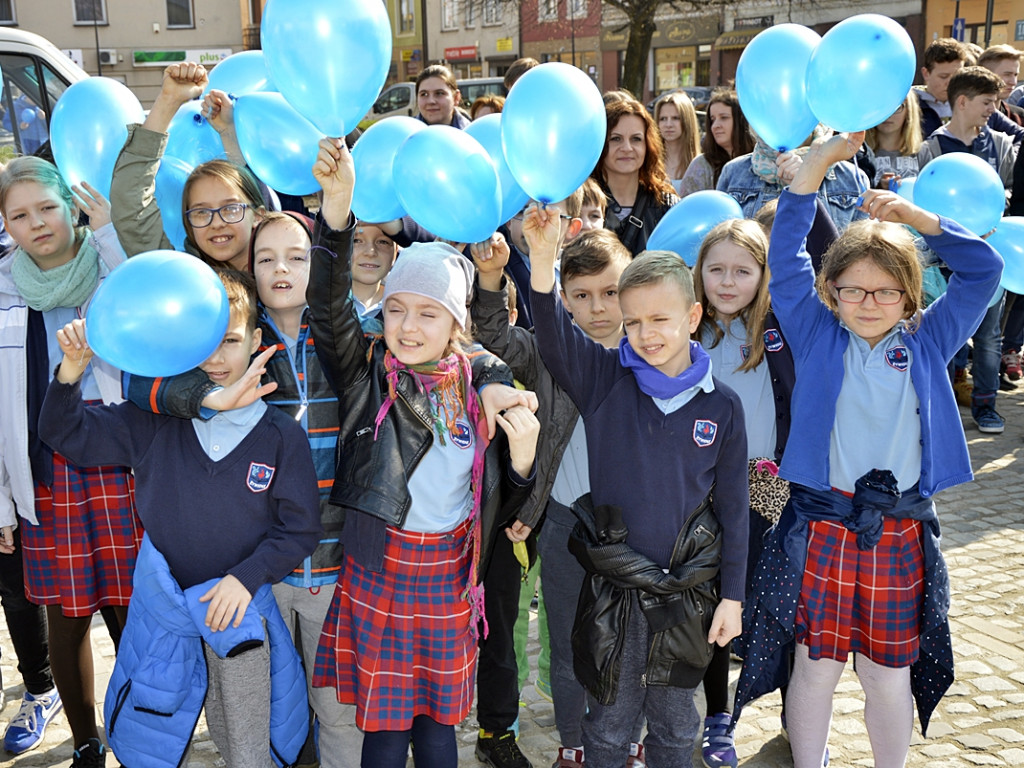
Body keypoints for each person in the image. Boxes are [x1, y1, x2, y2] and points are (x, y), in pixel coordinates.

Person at [733, 130, 1002, 768]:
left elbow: (984, 270)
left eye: (886, 291)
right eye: (853, 289)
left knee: (887, 674)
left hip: (898, 530)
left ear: (910, 295)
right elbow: (787, 254)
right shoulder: (817, 332)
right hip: (823, 524)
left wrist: (917, 219)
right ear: (831, 293)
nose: (869, 303)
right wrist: (811, 175)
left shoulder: (928, 340)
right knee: (816, 668)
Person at [306, 137, 540, 768]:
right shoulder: (368, 374)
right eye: (397, 310)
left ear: (456, 327)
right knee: (384, 733)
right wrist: (335, 221)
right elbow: (328, 314)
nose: (408, 327)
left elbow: (504, 496)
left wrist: (521, 458)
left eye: (428, 315)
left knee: (439, 729)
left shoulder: (480, 388)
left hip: (451, 576)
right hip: (382, 567)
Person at [38, 271, 322, 768]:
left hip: (237, 610)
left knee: (249, 742)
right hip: (163, 610)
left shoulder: (279, 435)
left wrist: (244, 578)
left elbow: (300, 528)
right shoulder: (149, 420)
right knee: (157, 733)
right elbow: (65, 433)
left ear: (257, 341)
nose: (215, 358)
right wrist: (71, 370)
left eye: (230, 340)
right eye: (203, 342)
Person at [524, 201, 748, 768]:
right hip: (614, 595)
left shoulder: (722, 407)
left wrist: (733, 596)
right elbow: (551, 335)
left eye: (661, 320)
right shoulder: (604, 382)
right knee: (608, 725)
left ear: (693, 316)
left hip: (685, 597)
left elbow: (734, 510)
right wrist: (544, 260)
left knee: (676, 726)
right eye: (634, 322)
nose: (646, 335)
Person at [472, 225, 644, 768]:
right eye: (582, 296)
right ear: (563, 299)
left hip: (636, 527)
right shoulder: (549, 351)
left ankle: (630, 737)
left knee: (632, 642)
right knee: (571, 639)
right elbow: (497, 337)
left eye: (611, 292)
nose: (598, 308)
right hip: (565, 521)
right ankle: (573, 740)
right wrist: (493, 277)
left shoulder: (652, 353)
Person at [0, 156, 141, 768]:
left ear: (71, 206)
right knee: (65, 614)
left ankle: (145, 736)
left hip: (119, 464)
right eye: (19, 215)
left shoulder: (110, 266)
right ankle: (86, 741)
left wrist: (109, 234)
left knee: (133, 613)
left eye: (47, 208)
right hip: (44, 472)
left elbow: (150, 314)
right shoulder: (4, 289)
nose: (37, 224)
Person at [691, 219, 796, 768]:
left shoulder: (778, 329)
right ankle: (716, 719)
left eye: (742, 270)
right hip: (702, 487)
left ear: (763, 274)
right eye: (717, 269)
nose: (728, 282)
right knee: (714, 608)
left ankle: (795, 716)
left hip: (765, 483)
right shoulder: (685, 330)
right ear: (699, 272)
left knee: (771, 603)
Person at [923, 65, 1015, 434]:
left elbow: (1008, 189)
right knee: (947, 334)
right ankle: (943, 409)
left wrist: (998, 210)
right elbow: (925, 202)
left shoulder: (998, 144)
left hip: (991, 255)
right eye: (986, 101)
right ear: (962, 102)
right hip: (943, 260)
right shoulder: (931, 148)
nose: (993, 108)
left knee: (990, 336)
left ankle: (986, 406)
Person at [110, 62, 269, 271]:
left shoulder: (289, 268)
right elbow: (131, 204)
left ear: (258, 215)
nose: (217, 223)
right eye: (201, 212)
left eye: (230, 208)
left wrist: (228, 132)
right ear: (189, 226)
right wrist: (169, 100)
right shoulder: (180, 275)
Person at [717, 128, 869, 232]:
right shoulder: (734, 173)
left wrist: (805, 182)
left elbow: (854, 256)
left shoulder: (852, 178)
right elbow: (721, 243)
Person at [592, 96, 677, 256]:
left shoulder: (666, 207)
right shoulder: (581, 204)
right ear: (602, 144)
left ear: (648, 146)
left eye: (636, 139)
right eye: (616, 139)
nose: (627, 148)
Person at [680, 88, 755, 197]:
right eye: (712, 119)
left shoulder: (758, 163)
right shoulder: (701, 165)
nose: (715, 125)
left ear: (741, 120)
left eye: (724, 118)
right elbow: (686, 208)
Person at [864, 94, 933, 188]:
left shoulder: (922, 152)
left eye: (897, 107)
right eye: (882, 106)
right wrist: (880, 188)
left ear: (908, 111)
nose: (888, 114)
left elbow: (928, 192)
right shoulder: (861, 153)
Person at [654, 91, 700, 195]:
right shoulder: (650, 162)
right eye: (663, 119)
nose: (668, 124)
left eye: (675, 118)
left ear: (687, 120)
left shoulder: (701, 164)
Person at [977, 44, 1024, 125]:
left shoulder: (1019, 118)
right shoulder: (964, 115)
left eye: (1015, 75)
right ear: (986, 74)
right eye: (1007, 74)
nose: (1013, 82)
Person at [416, 64, 470, 128]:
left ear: (456, 97)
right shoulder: (405, 136)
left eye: (439, 93)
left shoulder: (473, 134)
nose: (431, 101)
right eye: (424, 94)